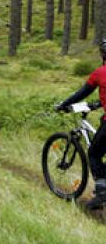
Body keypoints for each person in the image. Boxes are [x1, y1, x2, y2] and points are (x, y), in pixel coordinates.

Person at [55, 39, 106, 210]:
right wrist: (98, 104)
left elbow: (82, 93)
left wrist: (64, 104)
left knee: (93, 153)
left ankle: (101, 193)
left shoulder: (100, 73)